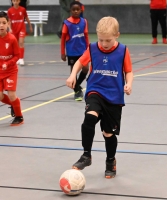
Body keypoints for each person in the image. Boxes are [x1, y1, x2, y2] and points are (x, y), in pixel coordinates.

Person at [66, 16, 133, 179]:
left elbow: (129, 71)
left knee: (108, 133)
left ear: (117, 35)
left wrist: (129, 84)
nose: (104, 44)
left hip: (114, 97)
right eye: (101, 40)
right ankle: (86, 155)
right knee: (89, 118)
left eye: (108, 40)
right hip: (95, 91)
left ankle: (110, 161)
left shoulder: (123, 50)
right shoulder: (93, 48)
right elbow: (80, 63)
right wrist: (73, 75)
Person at [61, 1, 89, 101]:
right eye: (74, 10)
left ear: (81, 10)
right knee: (74, 72)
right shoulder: (67, 23)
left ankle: (76, 85)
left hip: (82, 51)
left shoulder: (84, 22)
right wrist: (63, 53)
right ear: (70, 11)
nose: (76, 11)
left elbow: (86, 36)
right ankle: (77, 92)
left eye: (78, 9)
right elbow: (63, 39)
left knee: (86, 69)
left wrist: (88, 50)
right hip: (72, 52)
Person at [8, 0, 33, 66]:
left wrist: (30, 26)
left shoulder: (22, 9)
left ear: (19, 1)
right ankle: (18, 58)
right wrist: (9, 28)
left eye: (16, 1)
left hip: (21, 29)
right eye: (14, 1)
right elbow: (9, 21)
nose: (15, 2)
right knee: (15, 44)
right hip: (14, 30)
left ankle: (21, 59)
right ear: (12, 2)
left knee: (21, 43)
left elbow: (27, 18)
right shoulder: (10, 10)